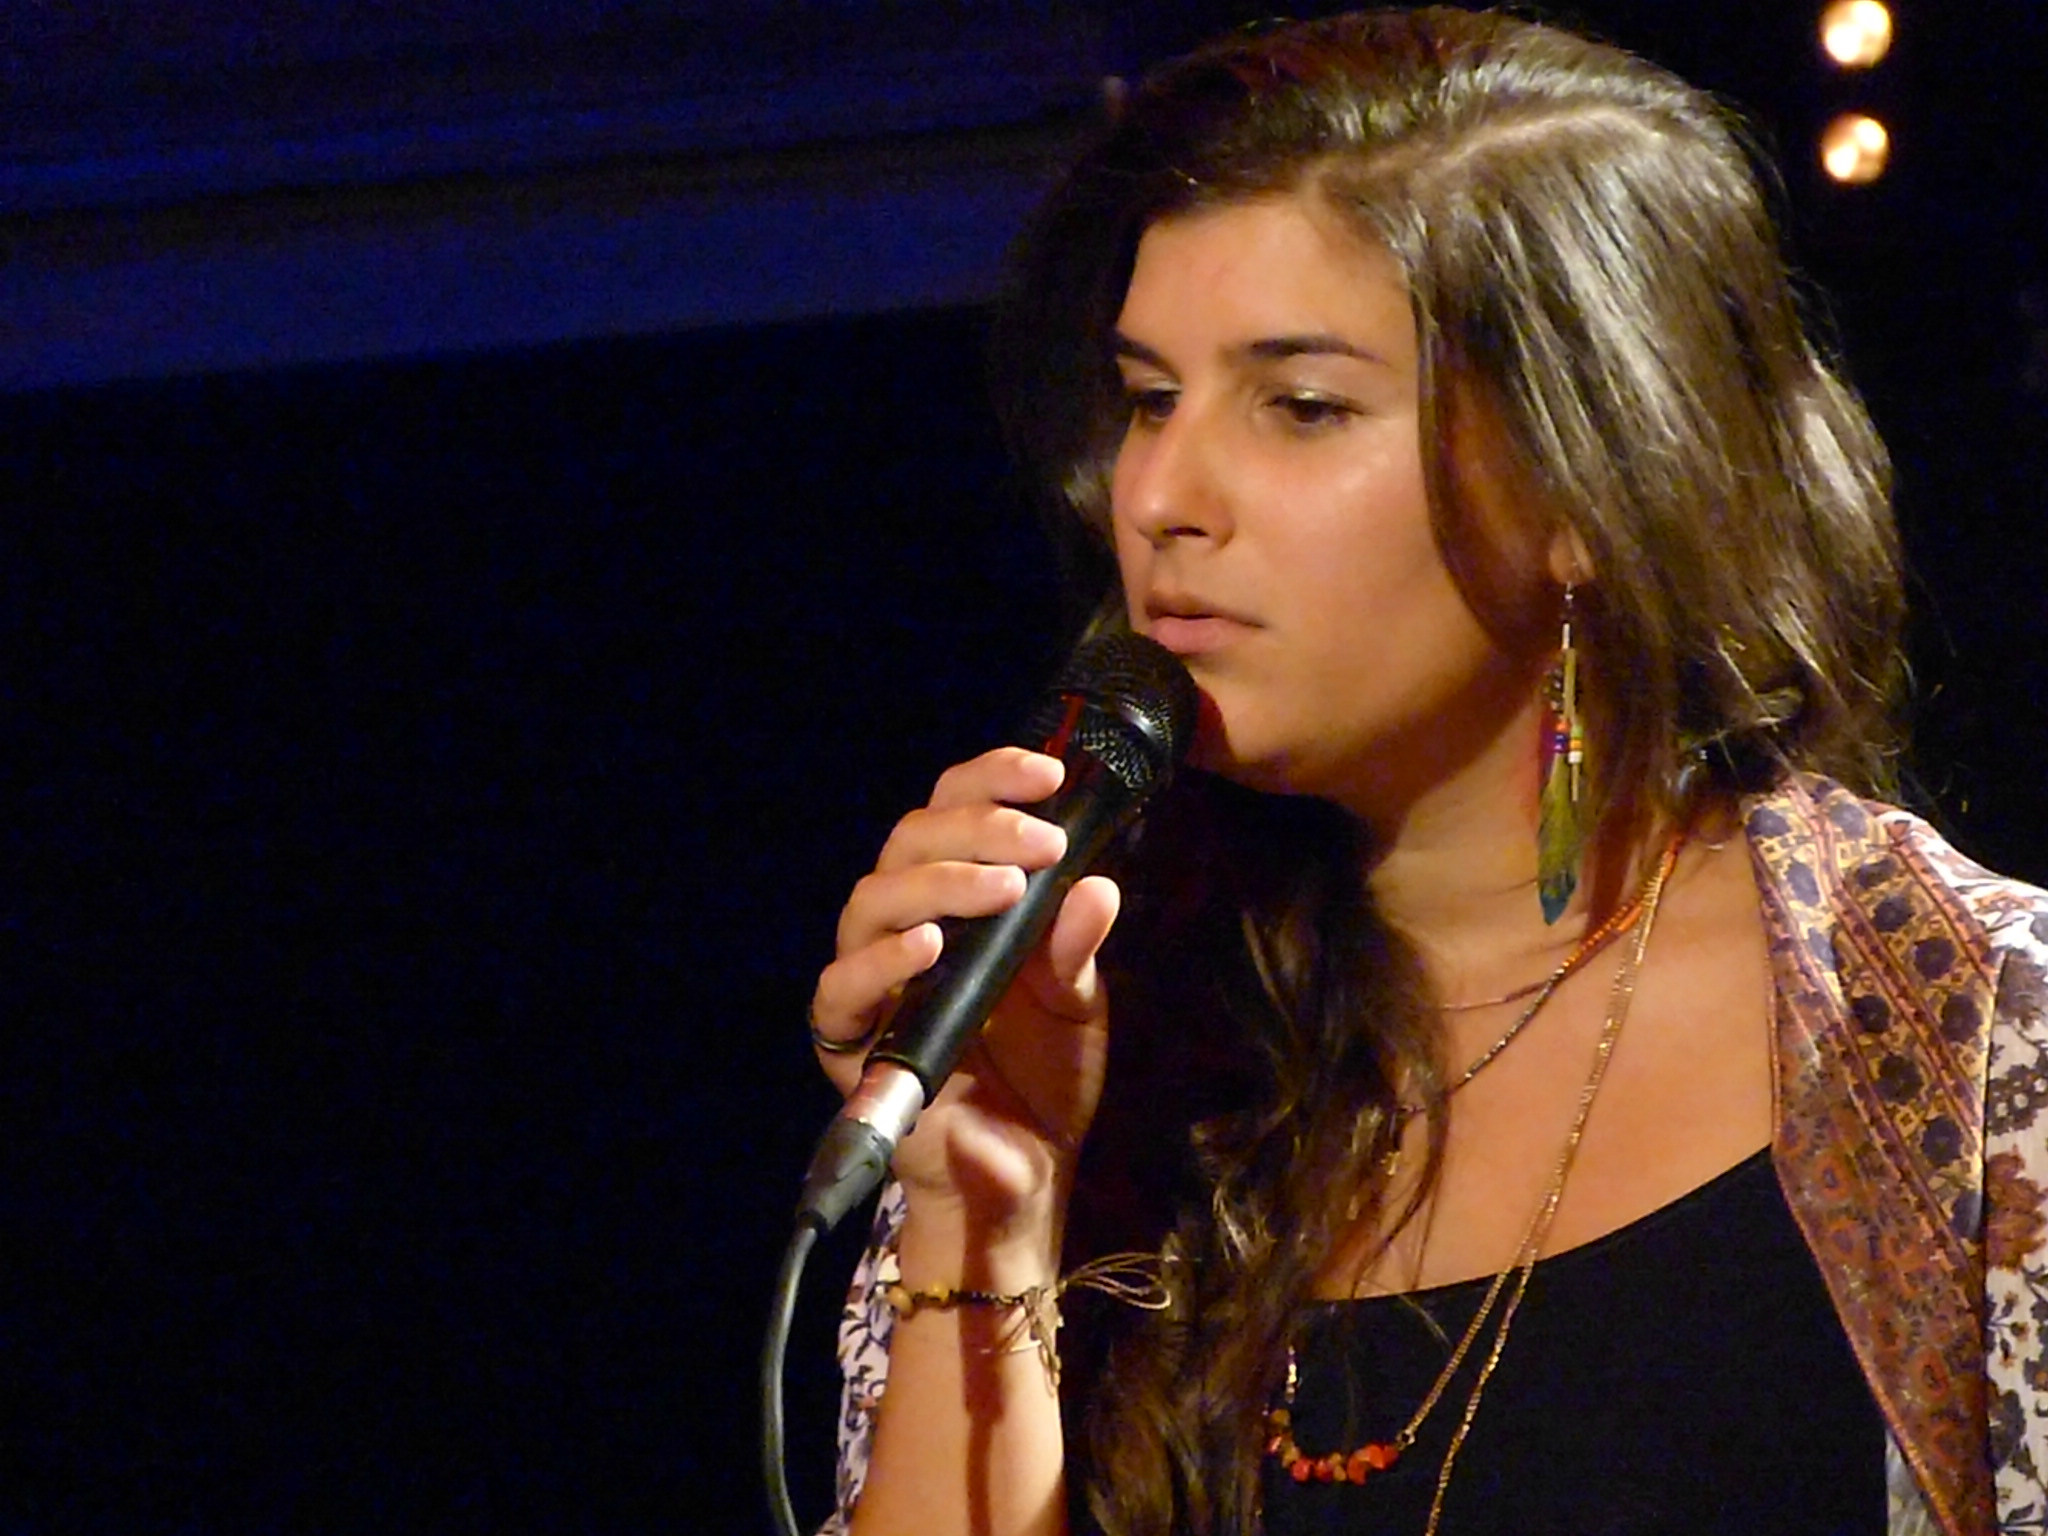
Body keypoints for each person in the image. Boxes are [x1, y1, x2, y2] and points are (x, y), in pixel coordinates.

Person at [803, 9, 2048, 1535]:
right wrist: (977, 1211)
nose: (1162, 495)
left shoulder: (1975, 1045)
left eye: (1301, 407)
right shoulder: (1092, 1021)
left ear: (1591, 483)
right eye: (1149, 398)